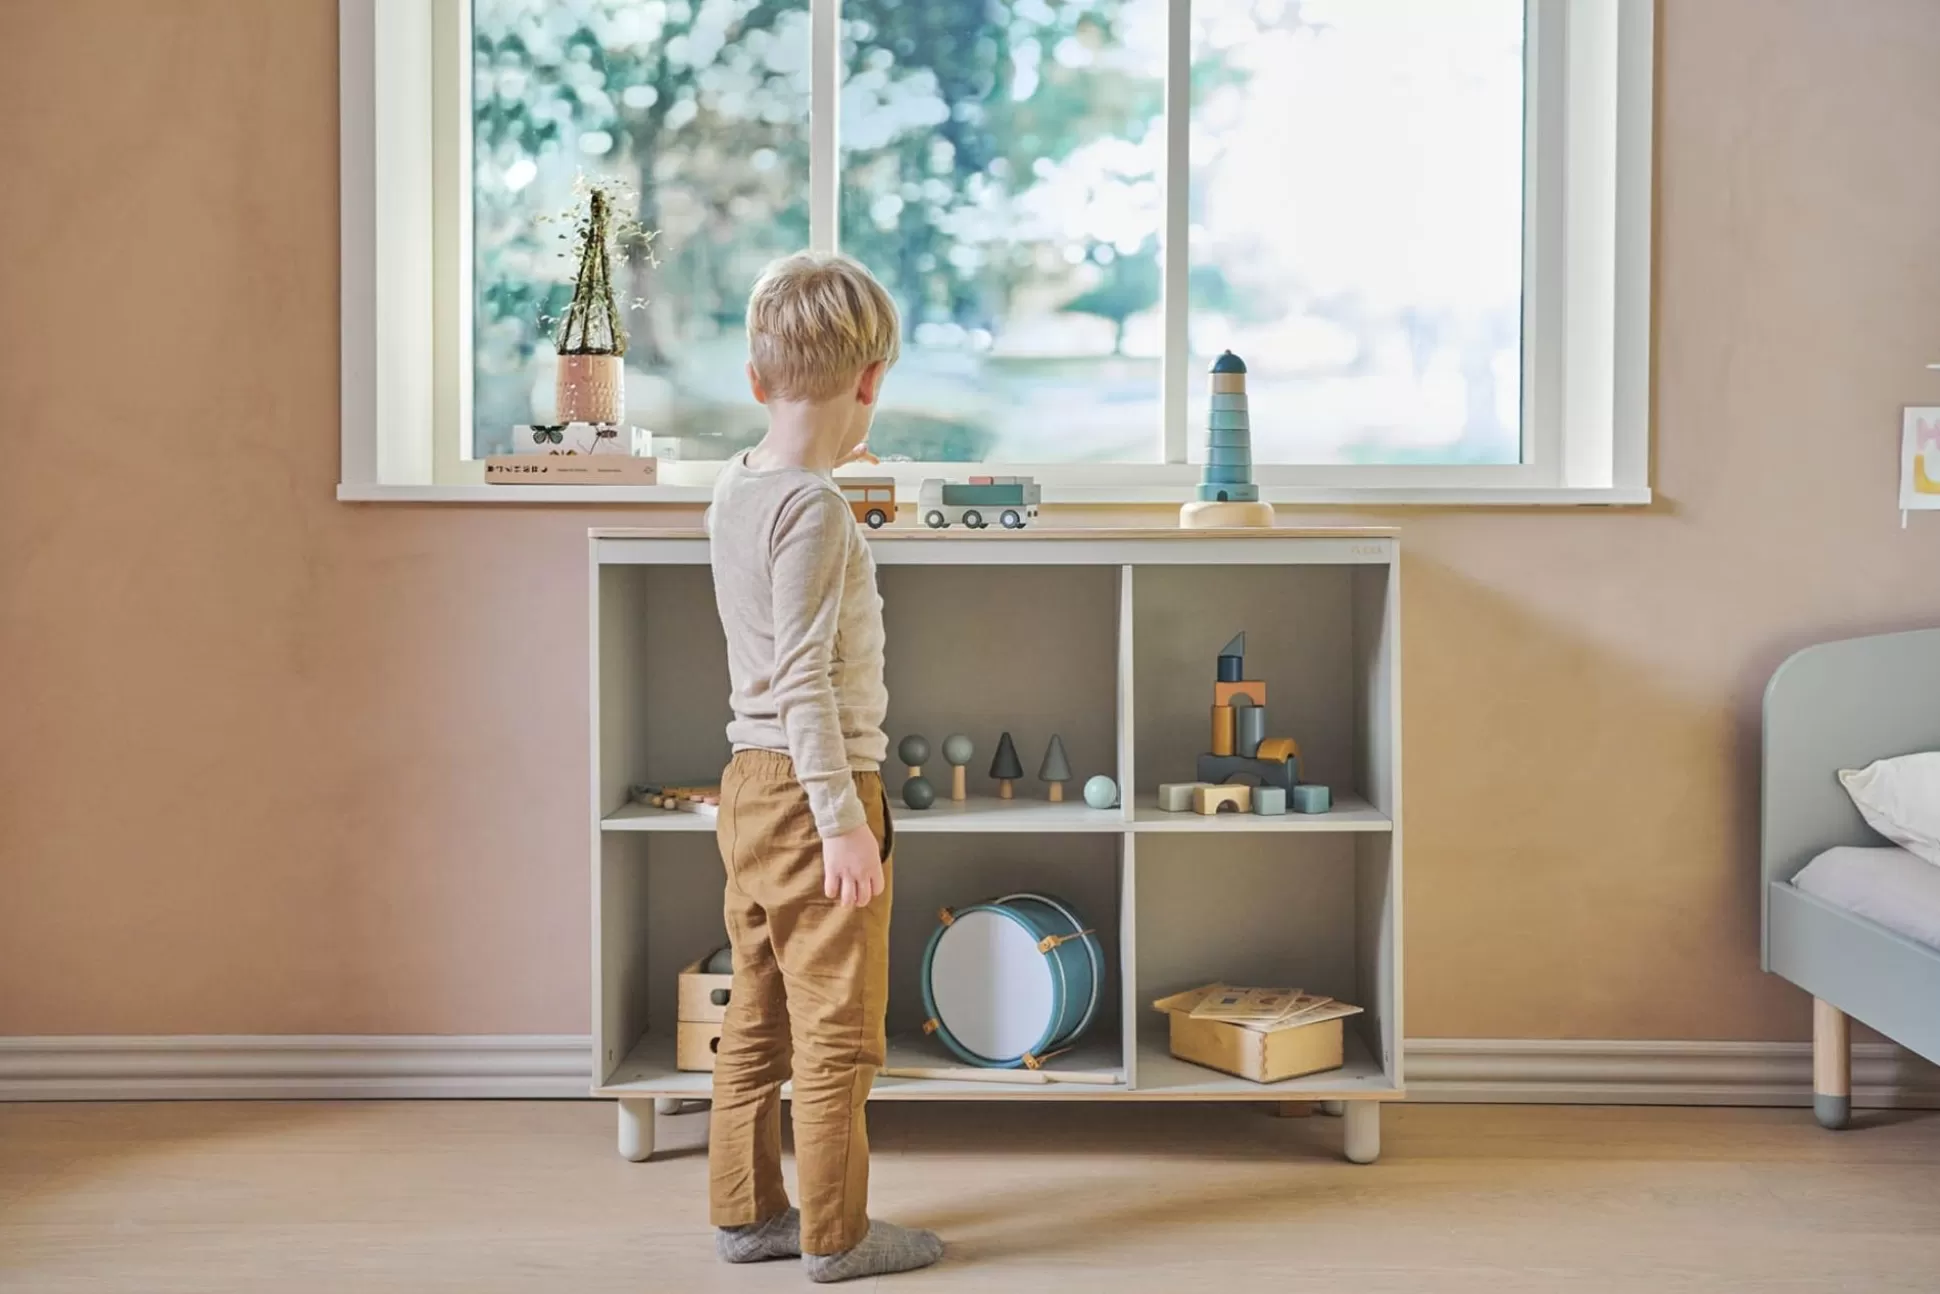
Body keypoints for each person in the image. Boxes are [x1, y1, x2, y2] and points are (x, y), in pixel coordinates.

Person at [704, 252, 943, 1283]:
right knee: (838, 1026)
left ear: (755, 381)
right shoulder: (816, 508)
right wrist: (844, 819)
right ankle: (837, 1235)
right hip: (813, 793)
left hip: (748, 790)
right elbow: (805, 681)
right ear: (873, 380)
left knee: (754, 1015)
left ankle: (746, 1212)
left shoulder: (739, 485)